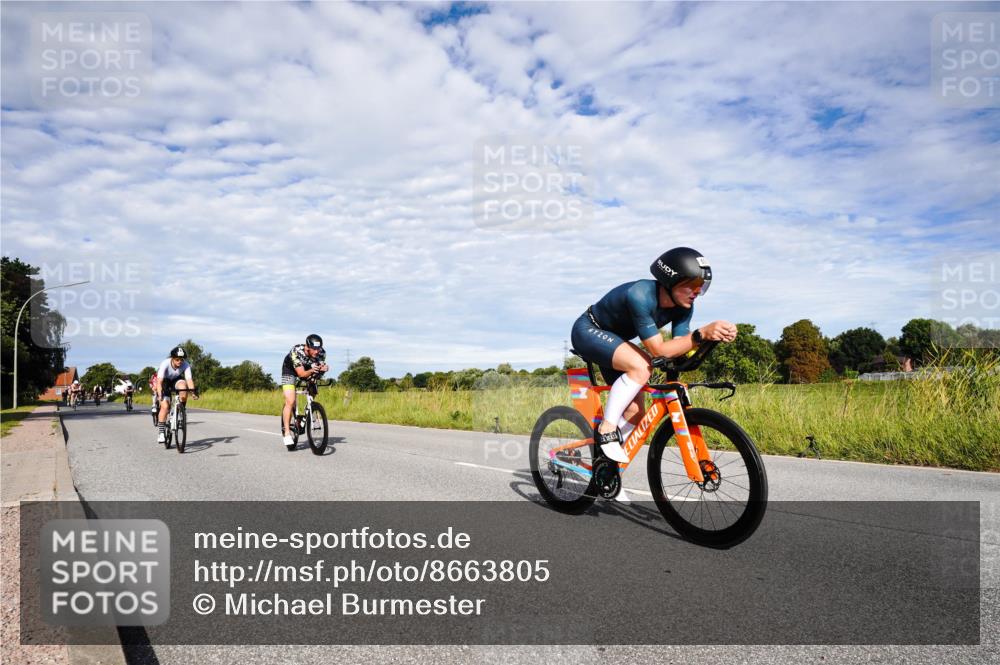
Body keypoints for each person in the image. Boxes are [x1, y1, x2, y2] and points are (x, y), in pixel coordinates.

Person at [569, 247, 737, 502]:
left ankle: (606, 468)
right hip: (589, 330)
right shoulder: (640, 295)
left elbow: (680, 346)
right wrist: (701, 334)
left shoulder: (683, 307)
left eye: (702, 287)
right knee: (642, 366)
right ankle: (606, 429)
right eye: (692, 285)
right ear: (670, 281)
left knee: (635, 413)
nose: (697, 292)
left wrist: (710, 340)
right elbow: (658, 349)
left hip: (615, 341)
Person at [280, 334, 329, 449]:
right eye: (314, 349)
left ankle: (311, 409)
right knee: (290, 401)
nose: (317, 352)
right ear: (307, 347)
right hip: (290, 370)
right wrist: (313, 369)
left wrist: (324, 369)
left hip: (307, 368)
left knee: (313, 388)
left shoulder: (321, 353)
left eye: (319, 349)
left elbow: (320, 367)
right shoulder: (296, 351)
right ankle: (287, 432)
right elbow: (301, 374)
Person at [154, 346, 198, 444]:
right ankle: (161, 433)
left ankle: (181, 411)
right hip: (164, 381)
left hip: (176, 380)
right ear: (172, 358)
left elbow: (189, 380)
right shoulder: (165, 363)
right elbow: (159, 381)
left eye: (181, 359)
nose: (180, 362)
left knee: (183, 387)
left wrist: (193, 392)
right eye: (177, 359)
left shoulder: (186, 365)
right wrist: (160, 394)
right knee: (165, 407)